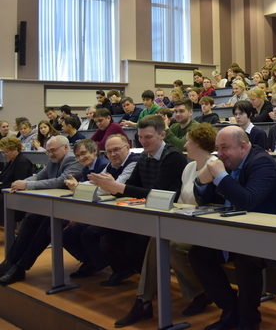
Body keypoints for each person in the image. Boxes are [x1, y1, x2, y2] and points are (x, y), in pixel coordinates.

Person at [189, 126, 276, 330]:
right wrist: (202, 180)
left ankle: (248, 320)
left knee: (246, 258)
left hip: (270, 234)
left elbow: (248, 200)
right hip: (236, 233)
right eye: (218, 148)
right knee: (198, 254)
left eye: (225, 147)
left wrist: (220, 177)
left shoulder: (262, 163)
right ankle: (230, 310)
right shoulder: (228, 162)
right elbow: (204, 201)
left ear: (243, 146)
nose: (219, 154)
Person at [114, 125, 217, 327]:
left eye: (188, 141)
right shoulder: (189, 168)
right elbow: (181, 200)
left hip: (205, 225)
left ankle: (200, 292)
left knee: (170, 245)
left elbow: (206, 201)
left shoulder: (213, 166)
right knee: (158, 237)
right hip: (186, 221)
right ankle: (143, 301)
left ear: (198, 143)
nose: (184, 145)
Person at [89, 115, 187, 287]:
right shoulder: (144, 156)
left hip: (167, 216)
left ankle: (153, 283)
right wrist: (112, 187)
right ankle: (141, 277)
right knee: (109, 236)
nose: (143, 141)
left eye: (148, 137)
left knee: (134, 244)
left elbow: (156, 193)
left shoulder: (173, 156)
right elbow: (131, 186)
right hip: (146, 213)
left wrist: (117, 187)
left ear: (162, 135)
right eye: (140, 137)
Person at [0, 136, 83, 285]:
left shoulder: (73, 159)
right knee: (30, 219)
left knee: (46, 225)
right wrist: (22, 182)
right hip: (56, 206)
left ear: (65, 147)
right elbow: (40, 176)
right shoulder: (53, 160)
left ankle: (20, 267)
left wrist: (27, 185)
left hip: (72, 210)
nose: (50, 154)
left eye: (53, 150)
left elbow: (60, 182)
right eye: (48, 151)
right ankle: (10, 262)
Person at [64, 134, 139, 279]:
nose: (112, 154)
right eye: (109, 151)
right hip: (111, 209)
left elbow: (113, 187)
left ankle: (118, 268)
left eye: (116, 150)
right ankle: (93, 262)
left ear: (128, 147)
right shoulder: (111, 165)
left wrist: (80, 187)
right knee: (68, 232)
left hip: (129, 213)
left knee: (89, 234)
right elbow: (98, 183)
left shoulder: (133, 162)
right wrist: (79, 186)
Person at [0, 136, 34, 226]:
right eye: (3, 152)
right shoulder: (12, 160)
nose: (4, 155)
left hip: (15, 196)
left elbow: (18, 183)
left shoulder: (22, 162)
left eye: (6, 152)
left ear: (15, 149)